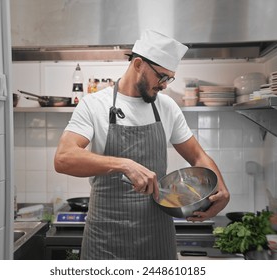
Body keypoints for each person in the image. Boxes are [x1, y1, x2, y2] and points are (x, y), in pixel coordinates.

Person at [54, 30, 230, 260]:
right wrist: (123, 164)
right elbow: (64, 158)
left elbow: (198, 157)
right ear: (138, 64)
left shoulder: (167, 107)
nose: (165, 85)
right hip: (106, 237)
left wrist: (222, 189)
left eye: (170, 78)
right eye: (162, 77)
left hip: (157, 236)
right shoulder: (94, 105)